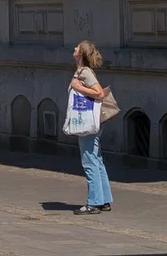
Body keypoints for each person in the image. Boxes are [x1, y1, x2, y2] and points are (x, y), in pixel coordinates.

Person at [71, 40, 113, 214]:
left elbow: (99, 92)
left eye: (77, 47)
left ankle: (94, 202)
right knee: (96, 160)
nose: (74, 49)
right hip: (92, 122)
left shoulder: (85, 72)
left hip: (89, 122)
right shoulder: (82, 71)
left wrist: (79, 87)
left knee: (89, 160)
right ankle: (104, 200)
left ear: (81, 54)